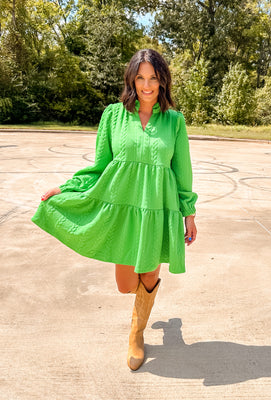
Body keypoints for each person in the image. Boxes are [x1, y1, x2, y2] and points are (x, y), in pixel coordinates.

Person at [31, 49, 198, 371]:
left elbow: (182, 170)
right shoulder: (113, 115)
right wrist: (67, 187)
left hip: (158, 208)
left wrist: (189, 214)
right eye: (140, 78)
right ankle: (154, 320)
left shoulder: (174, 121)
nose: (146, 85)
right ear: (131, 80)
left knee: (149, 272)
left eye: (153, 78)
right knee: (125, 283)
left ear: (162, 81)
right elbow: (100, 165)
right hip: (123, 210)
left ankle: (137, 333)